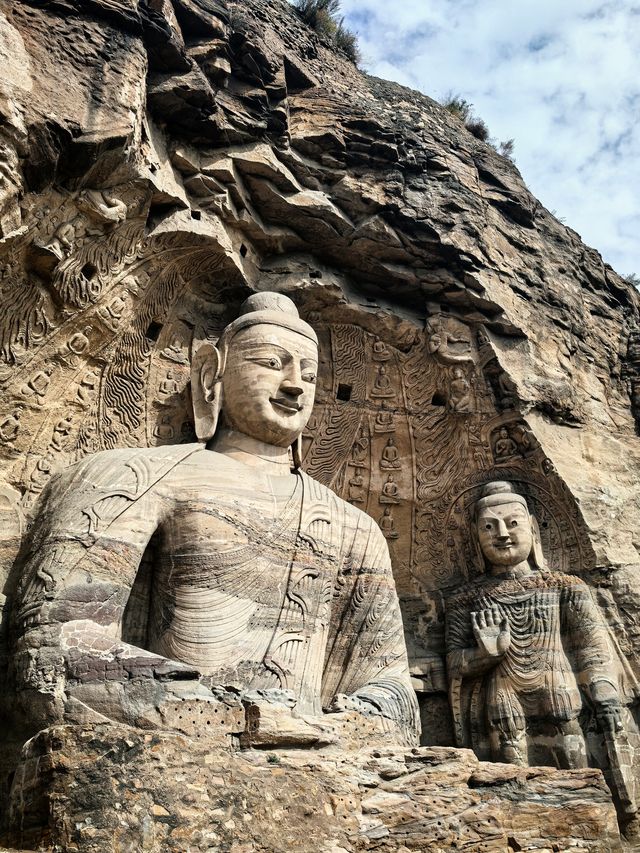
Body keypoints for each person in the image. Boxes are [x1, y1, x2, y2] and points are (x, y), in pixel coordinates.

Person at [12, 293, 419, 747]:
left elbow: (394, 692)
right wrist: (227, 715)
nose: (295, 386)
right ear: (211, 373)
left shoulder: (354, 526)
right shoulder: (136, 477)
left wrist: (343, 727)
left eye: (309, 374)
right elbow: (54, 646)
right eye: (271, 362)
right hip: (177, 747)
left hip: (317, 753)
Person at [445, 481, 637, 814]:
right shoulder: (466, 599)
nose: (502, 534)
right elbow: (454, 664)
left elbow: (591, 648)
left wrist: (605, 695)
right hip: (504, 704)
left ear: (533, 528)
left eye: (512, 523)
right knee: (515, 795)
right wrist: (485, 655)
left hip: (561, 696)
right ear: (476, 539)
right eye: (489, 527)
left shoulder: (565, 586)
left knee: (584, 787)